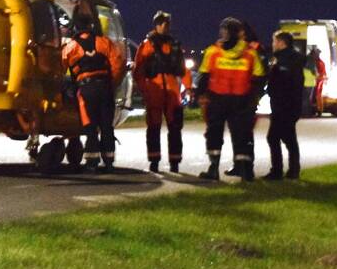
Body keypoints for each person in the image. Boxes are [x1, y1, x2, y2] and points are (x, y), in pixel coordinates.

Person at [196, 17, 265, 181]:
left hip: (217, 99)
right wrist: (253, 97)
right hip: (242, 100)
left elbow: (203, 76)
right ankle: (246, 172)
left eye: (224, 30)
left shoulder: (213, 51)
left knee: (214, 134)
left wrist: (200, 95)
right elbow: (259, 77)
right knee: (242, 135)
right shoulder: (249, 52)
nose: (222, 33)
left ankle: (213, 169)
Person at [61, 12, 124, 172]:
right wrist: (112, 84)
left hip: (85, 90)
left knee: (90, 126)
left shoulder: (71, 47)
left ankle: (92, 162)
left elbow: (60, 69)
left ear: (75, 26)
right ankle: (109, 161)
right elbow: (118, 65)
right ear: (91, 25)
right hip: (104, 87)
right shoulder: (104, 42)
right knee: (106, 126)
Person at [134, 10, 190, 173]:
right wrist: (145, 90)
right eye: (162, 23)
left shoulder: (175, 45)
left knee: (175, 127)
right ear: (156, 25)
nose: (165, 26)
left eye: (167, 24)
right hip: (154, 89)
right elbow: (139, 70)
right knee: (153, 127)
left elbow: (183, 68)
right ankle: (154, 160)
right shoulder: (146, 45)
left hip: (172, 90)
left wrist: (188, 87)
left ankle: (175, 161)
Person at [225, 21, 267, 177]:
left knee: (245, 134)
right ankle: (238, 165)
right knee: (236, 133)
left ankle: (248, 168)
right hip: (233, 97)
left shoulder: (254, 49)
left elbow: (262, 74)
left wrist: (254, 93)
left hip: (247, 98)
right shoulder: (234, 49)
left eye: (239, 31)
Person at [265, 31, 305, 180]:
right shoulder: (291, 59)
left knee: (274, 137)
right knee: (288, 138)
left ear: (282, 43)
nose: (273, 44)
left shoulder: (284, 60)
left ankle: (278, 171)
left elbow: (283, 83)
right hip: (289, 105)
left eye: (274, 41)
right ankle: (292, 170)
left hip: (284, 105)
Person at [307, 46, 327, 115]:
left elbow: (319, 72)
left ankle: (319, 109)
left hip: (318, 80)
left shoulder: (318, 62)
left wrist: (318, 77)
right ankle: (319, 109)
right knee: (317, 95)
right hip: (318, 80)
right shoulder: (320, 62)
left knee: (317, 95)